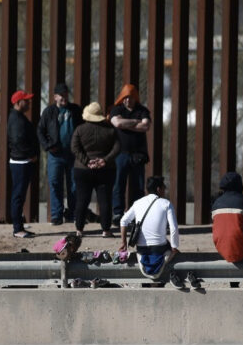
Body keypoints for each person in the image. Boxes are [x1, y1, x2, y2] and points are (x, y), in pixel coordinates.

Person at [119, 176, 188, 289]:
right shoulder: (166, 203)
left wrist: (123, 243)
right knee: (171, 247)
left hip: (141, 249)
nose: (165, 190)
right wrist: (174, 247)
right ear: (158, 189)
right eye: (164, 188)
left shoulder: (138, 203)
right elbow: (173, 227)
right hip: (159, 249)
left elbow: (123, 220)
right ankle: (169, 278)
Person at [71, 102, 120, 237]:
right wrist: (104, 160)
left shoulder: (80, 130)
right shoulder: (110, 129)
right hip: (106, 169)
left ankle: (79, 229)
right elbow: (117, 148)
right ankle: (106, 230)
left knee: (82, 199)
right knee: (105, 200)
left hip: (82, 170)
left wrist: (87, 161)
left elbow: (74, 148)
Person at [38, 83, 83, 225]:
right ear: (55, 97)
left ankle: (73, 214)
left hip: (73, 154)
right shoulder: (49, 111)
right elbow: (40, 131)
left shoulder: (75, 110)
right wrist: (47, 146)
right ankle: (56, 215)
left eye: (66, 94)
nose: (64, 97)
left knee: (74, 185)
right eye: (61, 95)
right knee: (55, 183)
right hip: (55, 154)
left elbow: (83, 129)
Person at [210, 172, 243, 288]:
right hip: (240, 244)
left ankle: (234, 285)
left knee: (233, 253)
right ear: (240, 186)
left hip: (221, 245)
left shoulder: (216, 203)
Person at [110, 84, 151, 225]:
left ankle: (136, 214)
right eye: (125, 98)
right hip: (120, 154)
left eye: (131, 98)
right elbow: (117, 123)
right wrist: (135, 122)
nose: (128, 100)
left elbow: (146, 126)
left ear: (135, 98)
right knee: (118, 184)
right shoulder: (117, 109)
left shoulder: (143, 110)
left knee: (138, 186)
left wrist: (125, 123)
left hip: (137, 155)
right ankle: (117, 213)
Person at [8, 90, 39, 238]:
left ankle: (19, 227)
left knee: (19, 195)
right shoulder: (16, 120)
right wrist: (31, 155)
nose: (28, 103)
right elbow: (17, 141)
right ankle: (17, 229)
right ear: (18, 102)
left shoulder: (18, 117)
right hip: (21, 162)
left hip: (22, 160)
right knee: (18, 196)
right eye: (26, 100)